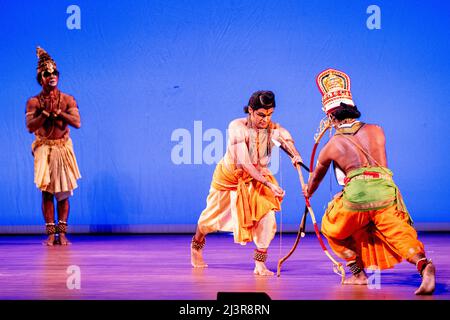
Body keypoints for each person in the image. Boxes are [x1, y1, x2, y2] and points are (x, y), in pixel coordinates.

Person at [303, 68, 435, 294]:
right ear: (353, 110)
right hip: (386, 194)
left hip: (356, 199)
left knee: (331, 227)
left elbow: (315, 178)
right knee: (399, 233)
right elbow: (376, 168)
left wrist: (308, 191)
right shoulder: (377, 130)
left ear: (331, 117)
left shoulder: (331, 146)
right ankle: (424, 266)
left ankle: (358, 274)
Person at [191, 90, 303, 276]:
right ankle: (196, 245)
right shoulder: (237, 127)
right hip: (229, 179)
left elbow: (285, 138)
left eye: (269, 115)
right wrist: (269, 184)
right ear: (250, 110)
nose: (265, 119)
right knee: (208, 221)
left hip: (257, 180)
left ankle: (260, 265)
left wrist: (295, 155)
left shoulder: (272, 129)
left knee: (267, 218)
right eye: (261, 114)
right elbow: (245, 163)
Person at [25, 47, 82, 246]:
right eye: (47, 73)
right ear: (40, 78)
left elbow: (77, 122)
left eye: (54, 73)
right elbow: (30, 126)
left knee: (64, 192)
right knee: (47, 191)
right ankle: (51, 234)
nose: (52, 76)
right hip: (44, 149)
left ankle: (63, 233)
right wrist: (45, 115)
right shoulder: (33, 102)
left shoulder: (67, 99)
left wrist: (60, 113)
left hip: (62, 148)